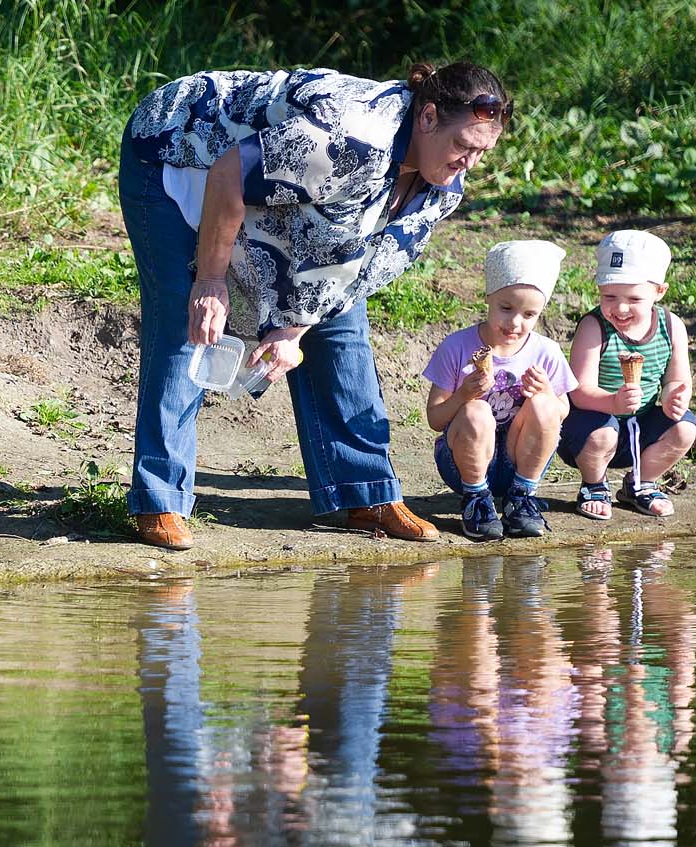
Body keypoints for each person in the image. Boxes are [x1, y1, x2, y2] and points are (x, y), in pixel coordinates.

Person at [118, 61, 512, 550]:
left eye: (482, 153)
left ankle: (364, 492)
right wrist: (212, 280)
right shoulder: (351, 138)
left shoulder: (442, 187)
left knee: (342, 330)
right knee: (191, 320)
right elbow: (228, 175)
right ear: (428, 117)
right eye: (463, 146)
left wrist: (296, 328)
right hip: (178, 151)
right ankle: (159, 499)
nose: (469, 163)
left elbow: (360, 270)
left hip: (279, 195)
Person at [421, 240, 577, 541]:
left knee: (545, 405)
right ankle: (476, 499)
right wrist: (463, 396)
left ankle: (522, 497)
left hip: (523, 461)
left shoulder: (546, 351)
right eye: (506, 308)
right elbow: (435, 419)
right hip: (462, 463)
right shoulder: (457, 347)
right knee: (476, 410)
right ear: (488, 297)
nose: (515, 322)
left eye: (529, 315)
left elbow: (562, 412)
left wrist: (546, 391)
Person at [557, 230, 696, 519]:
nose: (620, 308)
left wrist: (673, 396)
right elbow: (579, 391)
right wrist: (613, 403)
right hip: (590, 427)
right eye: (609, 296)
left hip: (640, 426)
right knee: (603, 432)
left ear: (659, 291)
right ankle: (594, 484)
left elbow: (677, 379)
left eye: (634, 298)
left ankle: (641, 483)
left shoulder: (671, 326)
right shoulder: (594, 327)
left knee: (685, 428)